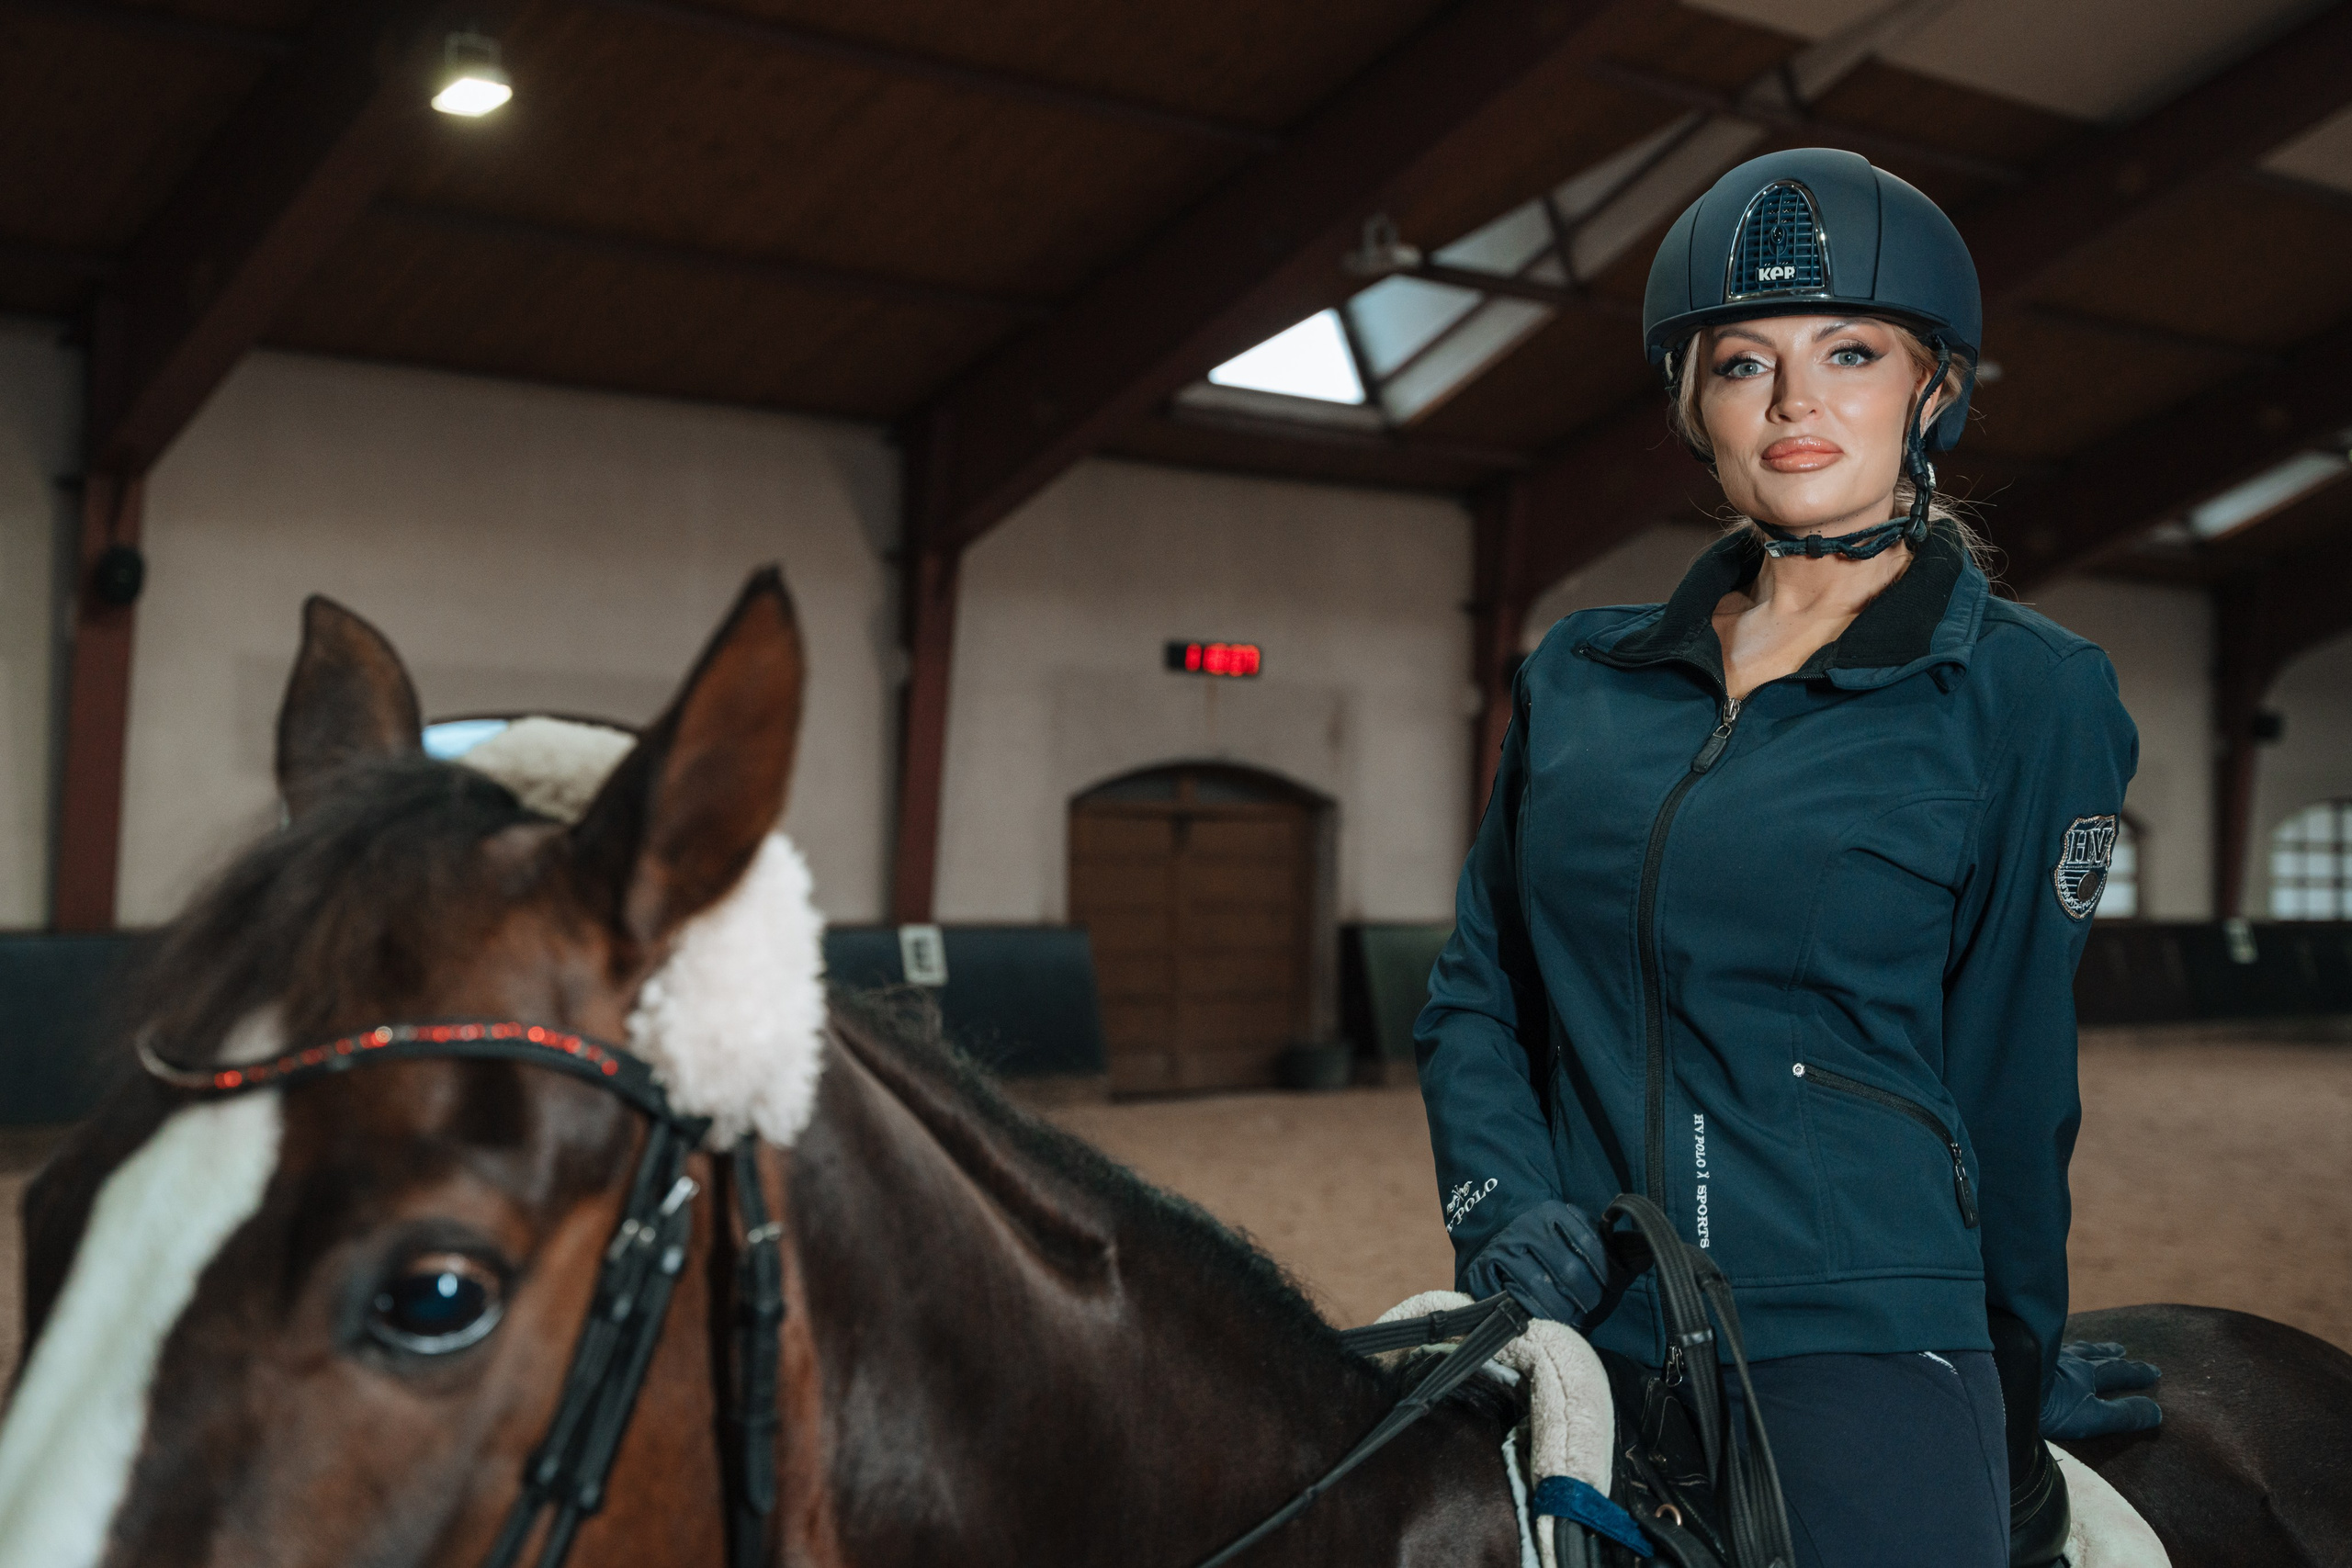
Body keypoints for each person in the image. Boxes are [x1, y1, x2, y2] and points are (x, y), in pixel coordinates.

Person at [1415, 149, 2162, 1568]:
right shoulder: (1582, 677)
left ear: (1931, 389)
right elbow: (1478, 992)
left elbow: (2012, 1075)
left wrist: (2006, 1357)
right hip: (1568, 1303)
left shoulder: (2030, 696)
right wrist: (1502, 1205)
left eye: (1850, 352)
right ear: (1695, 406)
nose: (1798, 400)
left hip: (1852, 1335)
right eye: (1743, 363)